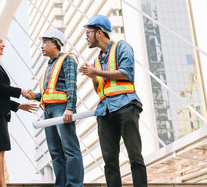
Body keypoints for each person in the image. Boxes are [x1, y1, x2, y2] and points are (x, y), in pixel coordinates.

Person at [78, 15, 147, 187]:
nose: (86, 36)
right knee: (109, 162)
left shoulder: (121, 47)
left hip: (126, 106)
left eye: (88, 33)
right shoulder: (96, 61)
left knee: (135, 156)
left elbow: (126, 73)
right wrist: (93, 77)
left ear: (99, 33)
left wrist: (96, 73)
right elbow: (101, 90)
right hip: (104, 112)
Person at [26, 28, 84, 187]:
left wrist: (70, 108)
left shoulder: (67, 59)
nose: (42, 46)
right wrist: (35, 96)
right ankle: (61, 184)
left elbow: (71, 86)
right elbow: (50, 92)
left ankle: (74, 185)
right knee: (55, 152)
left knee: (70, 149)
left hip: (63, 109)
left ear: (56, 44)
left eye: (45, 42)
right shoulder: (49, 66)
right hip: (49, 110)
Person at [0, 33, 37, 187]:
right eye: (0, 41)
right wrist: (21, 91)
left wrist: (18, 105)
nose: (3, 44)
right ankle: (1, 185)